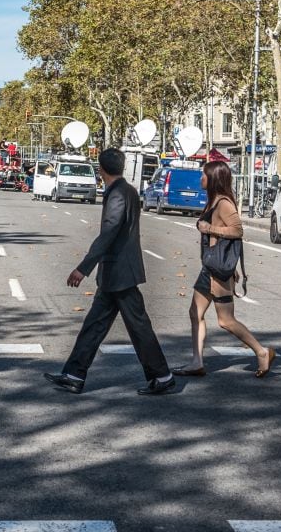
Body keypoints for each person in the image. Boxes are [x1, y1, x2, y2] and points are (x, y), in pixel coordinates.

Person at [44, 147, 175, 395]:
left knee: (138, 327)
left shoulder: (117, 195)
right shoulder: (126, 190)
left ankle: (163, 375)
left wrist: (83, 268)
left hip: (120, 274)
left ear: (100, 169)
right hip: (116, 274)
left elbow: (109, 233)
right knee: (94, 326)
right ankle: (74, 375)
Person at [175, 160, 276, 379]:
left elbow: (237, 230)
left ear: (214, 179)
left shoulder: (223, 203)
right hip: (210, 268)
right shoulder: (213, 202)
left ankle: (261, 352)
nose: (201, 178)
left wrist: (209, 228)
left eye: (204, 175)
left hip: (217, 272)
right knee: (195, 313)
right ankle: (197, 362)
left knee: (225, 321)